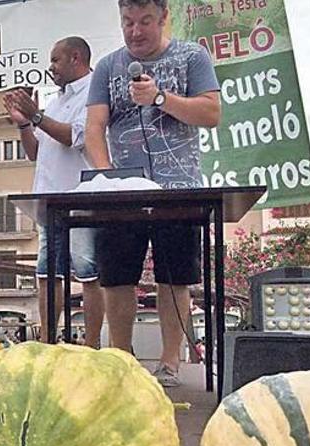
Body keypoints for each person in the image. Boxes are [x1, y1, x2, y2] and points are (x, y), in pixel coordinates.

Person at [85, 0, 221, 387]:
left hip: (178, 187)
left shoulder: (193, 57)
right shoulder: (109, 66)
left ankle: (170, 362)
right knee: (115, 274)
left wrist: (161, 98)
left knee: (175, 276)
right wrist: (107, 176)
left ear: (164, 19)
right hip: (123, 188)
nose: (135, 31)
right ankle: (122, 358)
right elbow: (95, 126)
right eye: (127, 22)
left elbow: (211, 113)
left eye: (145, 21)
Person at [3, 37, 104, 349]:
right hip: (48, 200)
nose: (51, 68)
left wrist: (37, 117)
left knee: (87, 271)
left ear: (76, 58)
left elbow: (75, 138)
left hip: (81, 195)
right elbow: (35, 152)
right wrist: (24, 125)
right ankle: (47, 342)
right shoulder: (56, 100)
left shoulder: (93, 92)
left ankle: (92, 345)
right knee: (47, 273)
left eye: (56, 60)